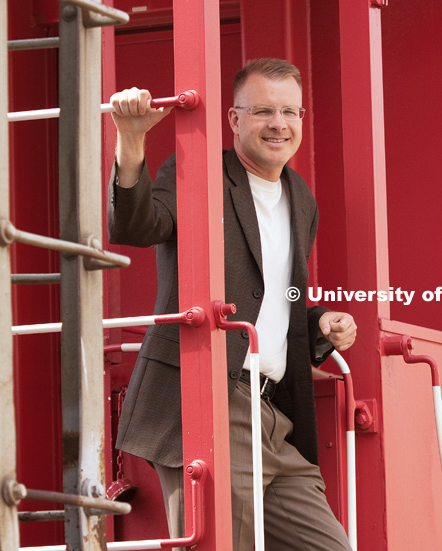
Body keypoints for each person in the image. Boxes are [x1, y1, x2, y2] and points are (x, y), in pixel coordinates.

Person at [107, 58, 356, 551]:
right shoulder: (199, 173)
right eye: (263, 110)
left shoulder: (301, 198)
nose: (279, 124)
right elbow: (137, 228)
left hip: (272, 412)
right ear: (234, 119)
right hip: (209, 395)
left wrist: (318, 321)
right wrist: (131, 139)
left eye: (289, 111)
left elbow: (276, 294)